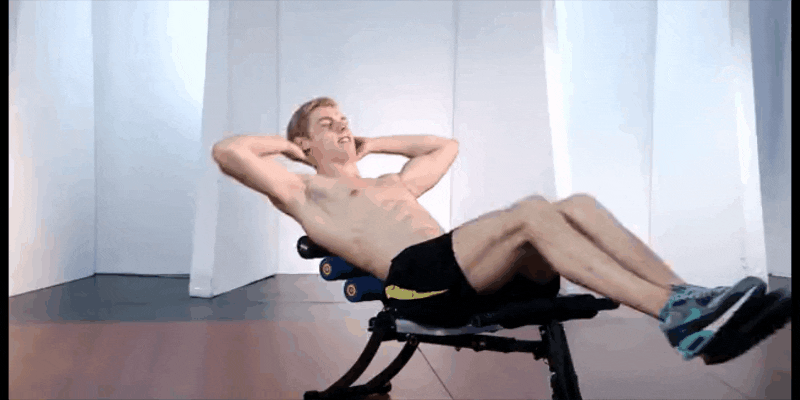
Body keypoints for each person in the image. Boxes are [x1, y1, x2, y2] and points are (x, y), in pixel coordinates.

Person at [212, 97, 770, 363]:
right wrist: (293, 149)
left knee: (574, 205)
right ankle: (675, 314)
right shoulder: (307, 193)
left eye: (345, 121)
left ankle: (686, 298)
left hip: (466, 272)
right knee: (530, 211)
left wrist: (371, 143)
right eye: (328, 125)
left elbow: (444, 147)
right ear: (305, 143)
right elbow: (229, 151)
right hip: (416, 282)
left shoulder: (393, 183)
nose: (342, 128)